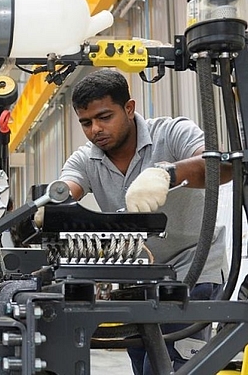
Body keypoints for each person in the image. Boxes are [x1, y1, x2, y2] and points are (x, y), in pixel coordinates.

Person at [57, 68, 230, 374]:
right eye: (86, 122)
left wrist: (167, 173)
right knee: (144, 365)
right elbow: (65, 190)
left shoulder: (172, 132)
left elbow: (222, 167)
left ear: (129, 108)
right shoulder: (86, 159)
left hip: (194, 269)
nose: (95, 129)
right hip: (140, 281)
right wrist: (50, 204)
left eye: (104, 117)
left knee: (169, 366)